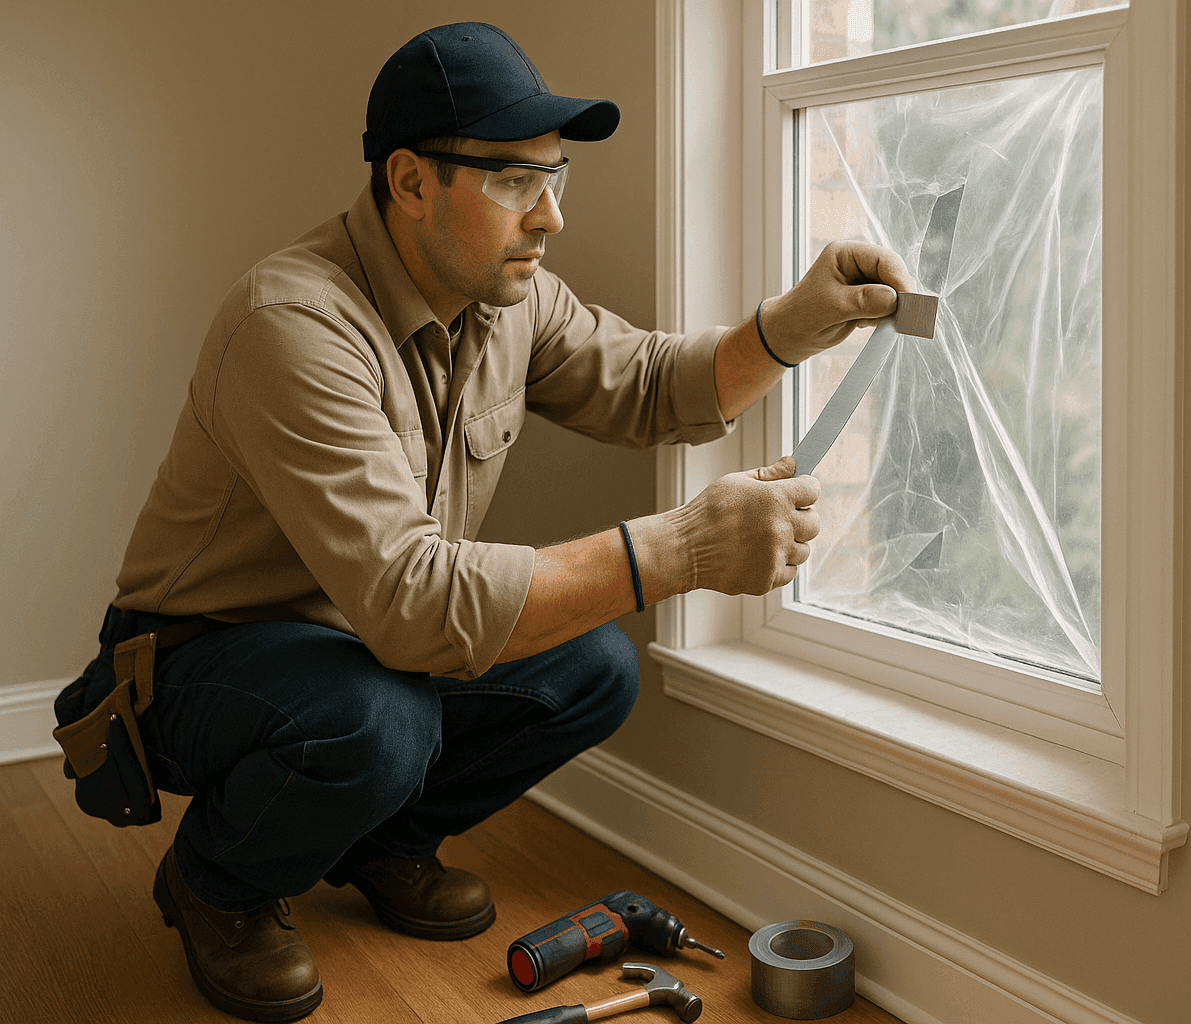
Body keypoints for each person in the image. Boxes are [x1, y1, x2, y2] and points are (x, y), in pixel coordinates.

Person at [51, 21, 914, 1023]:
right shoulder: (290, 325)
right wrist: (682, 547)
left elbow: (646, 383)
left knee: (594, 665)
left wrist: (795, 322)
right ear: (411, 182)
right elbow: (417, 609)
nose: (549, 216)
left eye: (555, 177)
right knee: (381, 715)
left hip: (359, 648)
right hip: (194, 663)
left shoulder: (504, 299)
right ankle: (215, 880)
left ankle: (377, 838)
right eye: (512, 179)